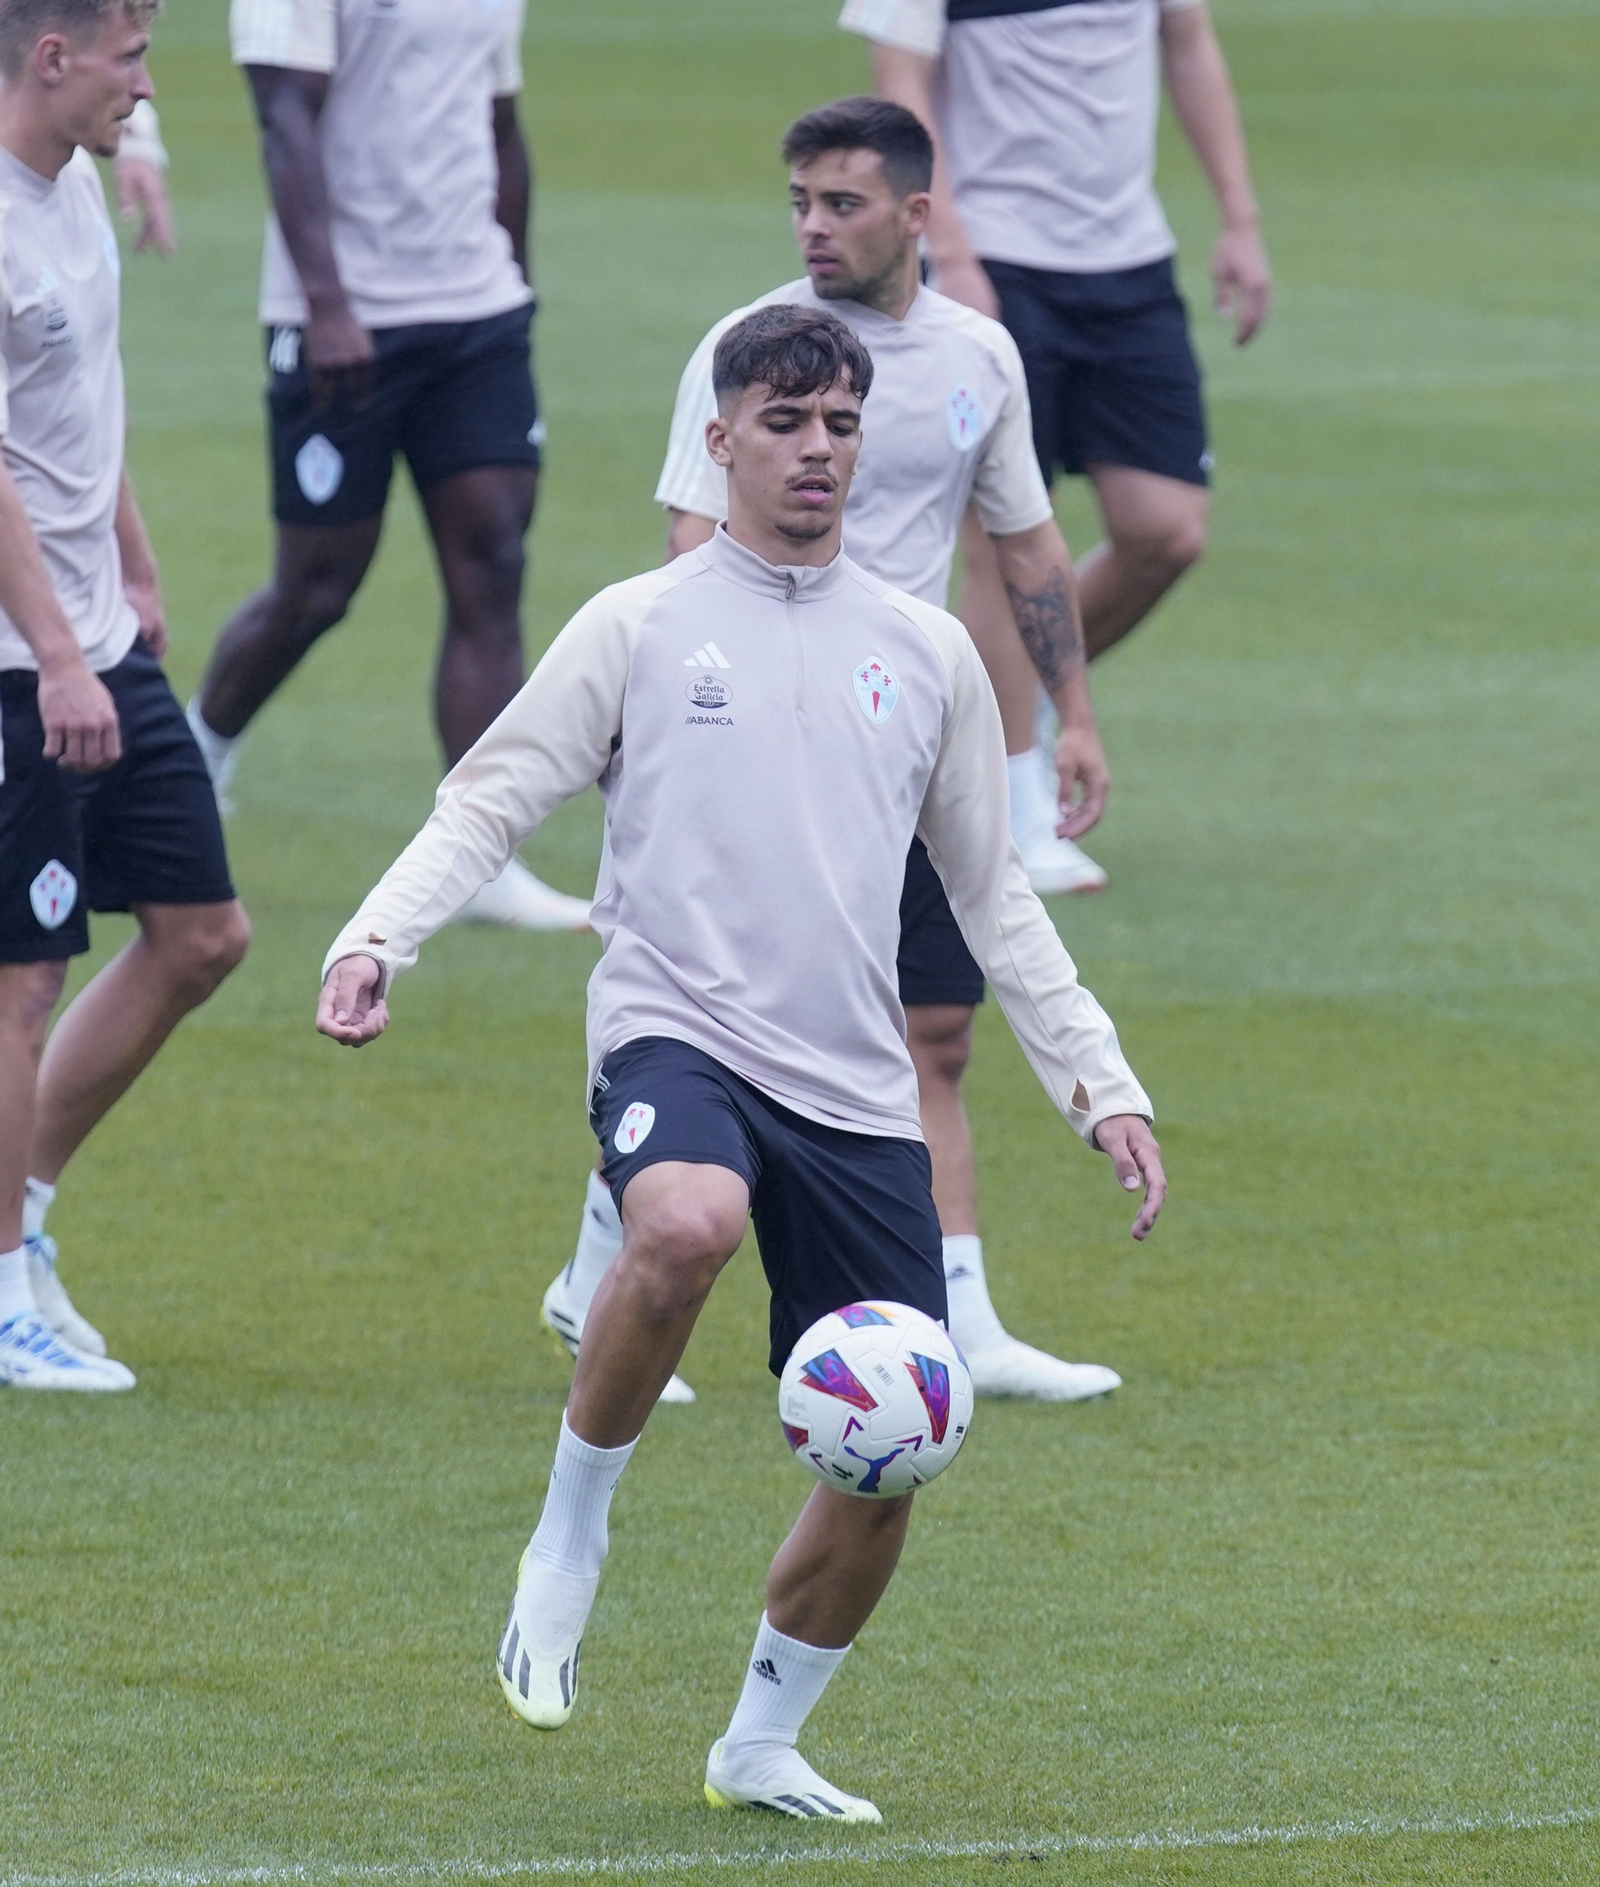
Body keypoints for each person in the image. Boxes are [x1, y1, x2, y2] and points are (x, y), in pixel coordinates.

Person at [316, 306, 1164, 1819]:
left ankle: (759, 1743)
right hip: (677, 1030)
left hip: (852, 1089)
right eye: (787, 424)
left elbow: (992, 893)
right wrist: (378, 938)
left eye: (842, 423)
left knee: (900, 1435)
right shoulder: (639, 623)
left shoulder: (927, 655)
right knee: (686, 1218)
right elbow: (488, 800)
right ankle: (569, 1537)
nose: (820, 450)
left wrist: (1101, 1084)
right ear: (721, 443)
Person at [542, 98, 1123, 1405]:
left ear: (917, 215)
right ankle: (602, 1269)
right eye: (800, 200)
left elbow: (1027, 542)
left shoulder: (980, 358)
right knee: (729, 1029)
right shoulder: (746, 352)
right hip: (766, 754)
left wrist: (1069, 717)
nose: (814, 225)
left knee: (939, 1034)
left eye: (843, 203)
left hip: (901, 741)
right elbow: (694, 559)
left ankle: (957, 1315)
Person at [842, 0, 1272, 881]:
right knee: (1004, 539)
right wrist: (951, 256)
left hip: (1129, 264)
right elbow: (899, 84)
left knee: (1168, 529)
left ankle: (1004, 718)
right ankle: (1012, 806)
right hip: (996, 260)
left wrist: (1239, 218)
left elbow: (1187, 42)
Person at [184, 0, 590, 930]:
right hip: (343, 315)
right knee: (320, 585)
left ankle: (484, 854)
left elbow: (498, 120)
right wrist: (326, 303)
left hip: (474, 308)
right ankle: (201, 754)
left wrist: (513, 287)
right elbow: (283, 117)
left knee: (491, 563)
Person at [0, 0, 250, 1391]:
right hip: (24, 661)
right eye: (132, 59)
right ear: (54, 59)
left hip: (98, 635)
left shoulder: (78, 183)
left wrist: (135, 565)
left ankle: (20, 1223)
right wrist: (54, 654)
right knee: (21, 972)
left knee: (202, 932)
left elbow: (81, 402)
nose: (144, 87)